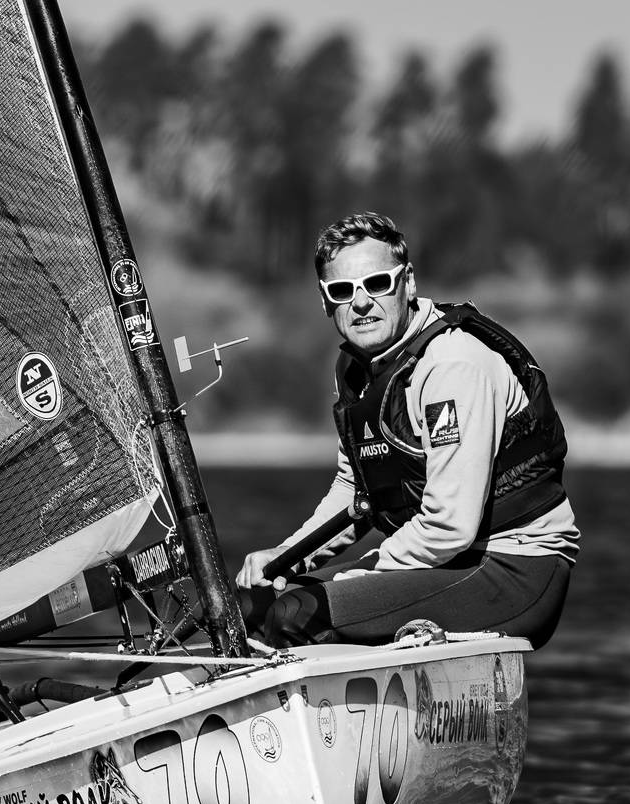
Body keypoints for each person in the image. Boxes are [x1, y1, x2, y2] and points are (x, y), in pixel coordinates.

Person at [236, 211, 578, 648]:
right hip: (445, 560)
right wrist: (288, 558)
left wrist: (360, 573)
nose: (361, 303)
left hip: (515, 568)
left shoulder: (451, 367)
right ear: (325, 301)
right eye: (342, 291)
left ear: (408, 282)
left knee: (297, 614)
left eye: (377, 283)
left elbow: (449, 525)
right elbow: (355, 491)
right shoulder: (357, 368)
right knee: (252, 607)